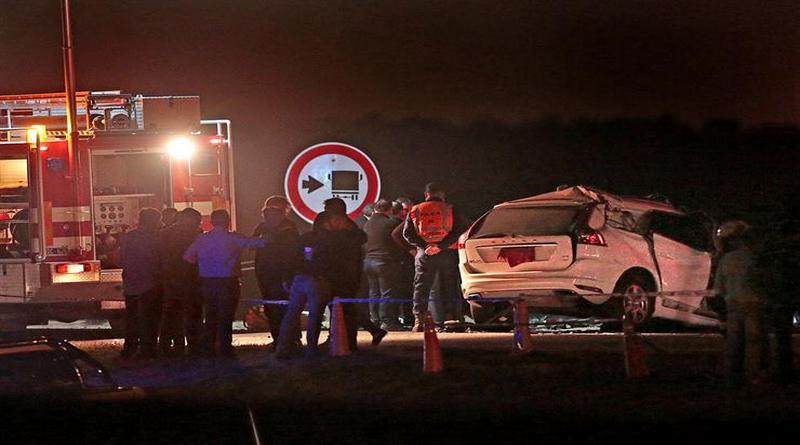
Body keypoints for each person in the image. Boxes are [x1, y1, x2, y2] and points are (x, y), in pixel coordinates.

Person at [277, 198, 370, 358]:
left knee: (291, 314)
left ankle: (282, 347)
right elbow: (359, 239)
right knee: (316, 315)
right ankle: (311, 349)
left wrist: (287, 277)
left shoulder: (306, 237)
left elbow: (291, 258)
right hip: (319, 280)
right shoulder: (333, 239)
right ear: (328, 222)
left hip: (299, 279)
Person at [183, 209, 266, 358]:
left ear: (212, 222)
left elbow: (188, 257)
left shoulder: (201, 239)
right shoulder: (232, 237)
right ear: (227, 221)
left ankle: (209, 348)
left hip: (207, 282)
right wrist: (269, 236)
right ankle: (225, 348)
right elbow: (255, 243)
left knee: (211, 316)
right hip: (228, 282)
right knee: (226, 316)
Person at [403, 182, 467, 332]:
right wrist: (440, 246)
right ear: (442, 194)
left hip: (424, 254)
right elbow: (460, 229)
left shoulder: (415, 210)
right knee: (450, 286)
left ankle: (419, 321)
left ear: (426, 194)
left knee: (421, 287)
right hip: (446, 253)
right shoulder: (449, 208)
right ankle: (451, 318)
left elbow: (407, 233)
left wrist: (425, 246)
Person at [714, 220, 767, 386]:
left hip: (732, 304)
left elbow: (718, 288)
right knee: (753, 342)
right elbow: (762, 283)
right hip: (753, 303)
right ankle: (752, 375)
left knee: (733, 342)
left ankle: (731, 376)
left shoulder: (726, 260)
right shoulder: (754, 259)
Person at [252, 196, 303, 350]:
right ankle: (285, 339)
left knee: (279, 307)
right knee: (280, 306)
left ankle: (286, 339)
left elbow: (293, 251)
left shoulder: (286, 228)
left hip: (274, 273)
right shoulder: (270, 228)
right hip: (275, 273)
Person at [158, 208, 203, 356]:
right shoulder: (196, 235)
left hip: (171, 279)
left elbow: (160, 257)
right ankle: (194, 347)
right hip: (191, 280)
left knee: (171, 315)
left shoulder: (164, 234)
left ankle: (167, 347)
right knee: (193, 315)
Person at [119, 208, 162, 359]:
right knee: (149, 319)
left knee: (132, 319)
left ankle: (129, 349)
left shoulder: (129, 237)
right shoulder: (154, 237)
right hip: (149, 284)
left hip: (131, 284)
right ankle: (148, 350)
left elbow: (121, 258)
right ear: (152, 221)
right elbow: (157, 259)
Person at [364, 199, 404, 330]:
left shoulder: (367, 223)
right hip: (384, 261)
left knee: (373, 292)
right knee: (387, 292)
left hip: (368, 261)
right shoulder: (391, 223)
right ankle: (387, 321)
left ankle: (374, 319)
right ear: (390, 210)